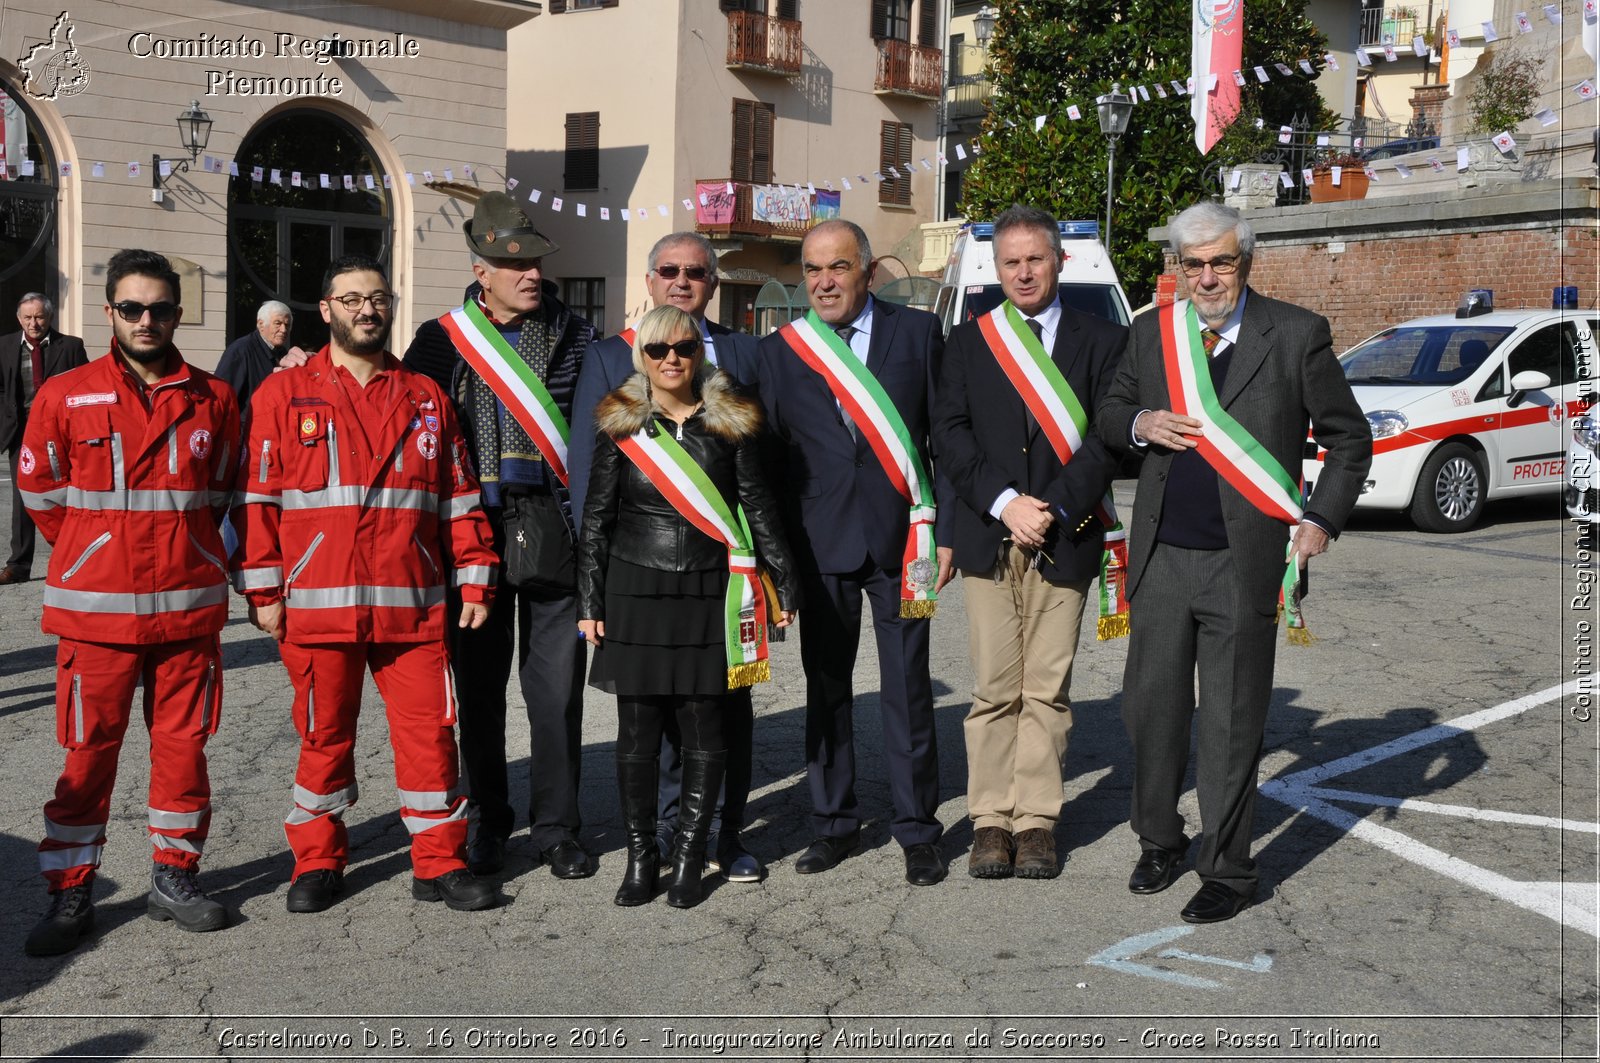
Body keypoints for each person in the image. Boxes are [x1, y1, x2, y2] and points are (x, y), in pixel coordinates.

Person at [1096, 202, 1372, 923]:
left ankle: (1227, 868)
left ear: (1246, 261)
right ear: (1178, 270)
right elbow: (1111, 408)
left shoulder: (1296, 334)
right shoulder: (1152, 332)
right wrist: (1139, 422)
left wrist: (1320, 519)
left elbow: (1350, 438)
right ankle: (1159, 839)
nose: (1209, 276)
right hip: (1161, 558)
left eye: (1222, 261)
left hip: (1245, 562)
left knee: (1230, 720)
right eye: (1195, 265)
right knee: (1150, 710)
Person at [232, 255, 501, 915]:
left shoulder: (425, 397)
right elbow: (257, 502)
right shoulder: (281, 395)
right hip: (316, 609)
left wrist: (475, 577)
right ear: (325, 310)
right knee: (324, 737)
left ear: (390, 305)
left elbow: (458, 498)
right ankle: (319, 860)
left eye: (376, 298)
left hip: (411, 606)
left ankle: (438, 861)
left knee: (433, 736)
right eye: (350, 299)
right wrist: (264, 591)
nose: (366, 310)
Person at [19, 249, 239, 955]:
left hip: (186, 609)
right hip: (97, 611)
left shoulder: (215, 397)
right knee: (87, 756)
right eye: (132, 308)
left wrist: (184, 547)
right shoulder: (66, 392)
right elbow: (41, 494)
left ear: (178, 312)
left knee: (183, 752)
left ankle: (175, 877)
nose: (147, 321)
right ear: (109, 311)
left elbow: (222, 492)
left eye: (161, 308)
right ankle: (71, 890)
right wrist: (92, 546)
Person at [577, 305, 798, 908]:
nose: (671, 358)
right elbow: (597, 518)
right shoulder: (617, 424)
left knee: (707, 729)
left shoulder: (733, 421)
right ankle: (642, 856)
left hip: (710, 590)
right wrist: (590, 600)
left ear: (699, 352)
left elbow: (756, 503)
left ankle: (690, 856)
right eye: (657, 350)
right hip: (635, 590)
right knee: (637, 734)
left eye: (684, 346)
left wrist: (783, 579)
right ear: (641, 357)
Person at [931, 204, 1128, 881]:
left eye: (1034, 259)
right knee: (994, 688)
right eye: (1010, 261)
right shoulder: (967, 341)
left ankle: (1037, 820)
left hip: (1065, 536)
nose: (1022, 272)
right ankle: (990, 819)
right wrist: (1005, 501)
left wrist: (1057, 507)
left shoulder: (1102, 339)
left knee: (1047, 688)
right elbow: (949, 435)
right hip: (989, 534)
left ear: (1058, 262)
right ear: (997, 266)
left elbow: (1107, 437)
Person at [404, 193, 597, 880]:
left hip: (553, 526)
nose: (531, 273)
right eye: (514, 262)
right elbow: (412, 440)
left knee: (556, 693)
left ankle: (558, 827)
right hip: (469, 540)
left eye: (536, 260)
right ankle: (488, 819)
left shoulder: (578, 336)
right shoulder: (436, 341)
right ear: (480, 267)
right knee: (478, 694)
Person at [755, 219, 951, 886]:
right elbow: (771, 462)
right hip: (819, 544)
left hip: (909, 543)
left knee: (909, 692)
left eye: (838, 267)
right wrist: (774, 559)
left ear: (868, 271)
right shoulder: (781, 351)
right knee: (827, 691)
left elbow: (944, 440)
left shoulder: (918, 335)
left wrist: (944, 529)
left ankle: (918, 829)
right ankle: (832, 824)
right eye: (812, 270)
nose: (824, 281)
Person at [0, 294, 87, 584]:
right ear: (19, 318)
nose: (33, 323)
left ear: (49, 317)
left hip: (60, 432)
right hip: (22, 431)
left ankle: (72, 558)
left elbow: (84, 387)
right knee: (23, 497)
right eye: (28, 318)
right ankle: (19, 565)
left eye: (39, 317)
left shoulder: (71, 346)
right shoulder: (5, 345)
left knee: (68, 496)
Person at [215, 300, 310, 411]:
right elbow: (221, 398)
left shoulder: (283, 353)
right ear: (261, 325)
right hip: (247, 426)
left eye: (287, 325)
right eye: (278, 323)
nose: (283, 330)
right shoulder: (240, 351)